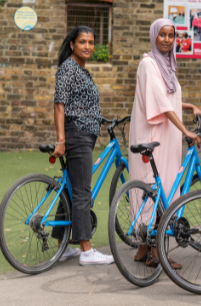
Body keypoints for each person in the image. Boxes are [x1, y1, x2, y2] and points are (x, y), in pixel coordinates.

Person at [129, 18, 201, 269]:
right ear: (154, 36)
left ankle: (143, 248)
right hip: (154, 136)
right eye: (162, 35)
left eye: (171, 35)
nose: (166, 40)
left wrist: (189, 105)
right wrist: (186, 131)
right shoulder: (148, 63)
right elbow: (160, 103)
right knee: (153, 190)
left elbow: (168, 97)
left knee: (161, 189)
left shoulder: (167, 65)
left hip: (167, 135)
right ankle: (156, 251)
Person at [50, 26, 114, 266]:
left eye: (91, 42)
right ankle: (86, 250)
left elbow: (82, 103)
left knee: (70, 190)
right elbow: (59, 105)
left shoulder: (82, 71)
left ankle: (63, 246)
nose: (87, 46)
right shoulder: (68, 68)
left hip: (84, 132)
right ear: (72, 45)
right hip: (76, 135)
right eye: (82, 42)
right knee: (82, 192)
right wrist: (61, 140)